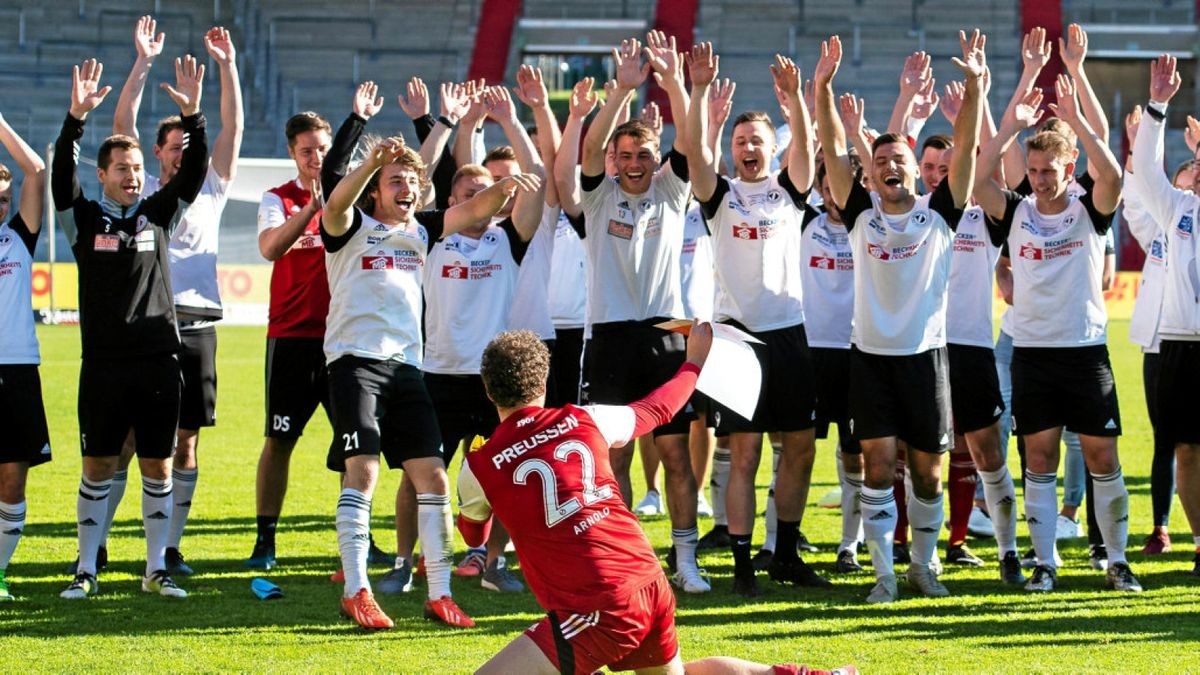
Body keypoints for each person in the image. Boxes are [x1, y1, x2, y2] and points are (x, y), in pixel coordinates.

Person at [458, 328, 855, 675]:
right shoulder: (584, 417)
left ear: (488, 388)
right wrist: (695, 362)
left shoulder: (479, 464)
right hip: (646, 580)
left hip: (599, 604)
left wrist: (489, 509)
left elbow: (472, 531)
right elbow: (658, 408)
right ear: (543, 382)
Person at [318, 123, 541, 627]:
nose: (407, 190)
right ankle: (357, 589)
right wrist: (372, 163)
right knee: (365, 472)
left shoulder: (420, 229)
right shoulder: (349, 227)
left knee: (434, 477)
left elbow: (476, 209)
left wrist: (507, 188)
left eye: (412, 183)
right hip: (355, 362)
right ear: (375, 188)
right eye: (395, 181)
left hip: (407, 366)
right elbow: (333, 205)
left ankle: (439, 593)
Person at [814, 35, 985, 603]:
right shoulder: (860, 214)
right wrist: (822, 87)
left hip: (926, 359)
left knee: (930, 474)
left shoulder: (940, 215)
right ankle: (884, 574)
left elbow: (965, 145)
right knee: (879, 468)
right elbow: (836, 146)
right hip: (871, 361)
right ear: (870, 174)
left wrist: (978, 86)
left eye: (899, 160)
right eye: (880, 160)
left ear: (918, 172)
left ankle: (923, 566)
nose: (890, 166)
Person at [974, 69, 1140, 592]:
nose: (1042, 179)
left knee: (1102, 457)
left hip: (1085, 354)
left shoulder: (1090, 211)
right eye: (1037, 170)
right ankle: (1044, 563)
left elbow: (1112, 172)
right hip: (1032, 355)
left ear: (1070, 168)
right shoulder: (1017, 211)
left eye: (1051, 170)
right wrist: (1005, 133)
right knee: (1039, 459)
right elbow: (978, 182)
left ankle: (1116, 561)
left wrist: (1076, 122)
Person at [91, 18, 243, 578]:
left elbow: (232, 127)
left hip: (199, 322)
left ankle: (170, 548)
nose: (182, 154)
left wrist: (227, 67)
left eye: (187, 146)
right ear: (156, 153)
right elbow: (121, 123)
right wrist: (143, 61)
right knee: (129, 440)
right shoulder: (145, 193)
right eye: (173, 147)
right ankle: (100, 545)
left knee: (185, 442)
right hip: (148, 324)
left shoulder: (214, 185)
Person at [54, 56, 208, 599]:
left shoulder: (158, 214)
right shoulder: (83, 220)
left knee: (158, 466)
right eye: (122, 168)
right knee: (97, 465)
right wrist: (75, 119)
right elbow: (59, 179)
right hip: (102, 363)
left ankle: (155, 569)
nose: (132, 176)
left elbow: (192, 173)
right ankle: (86, 569)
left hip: (158, 361)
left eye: (137, 168)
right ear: (103, 174)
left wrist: (193, 117)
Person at [683, 44, 827, 597]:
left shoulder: (789, 192)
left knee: (800, 447)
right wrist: (697, 93)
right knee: (742, 453)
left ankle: (784, 553)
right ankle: (742, 563)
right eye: (741, 142)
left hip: (789, 335)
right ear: (733, 150)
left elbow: (809, 152)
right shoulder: (719, 196)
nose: (749, 148)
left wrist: (795, 99)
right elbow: (696, 154)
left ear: (774, 149)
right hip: (736, 340)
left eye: (757, 142)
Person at [578, 32, 709, 593]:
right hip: (608, 336)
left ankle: (686, 563)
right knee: (614, 457)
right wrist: (622, 92)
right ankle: (626, 563)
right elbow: (587, 154)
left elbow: (692, 139)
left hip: (665, 332)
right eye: (625, 156)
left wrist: (680, 85)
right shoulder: (598, 194)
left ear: (657, 159)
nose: (634, 164)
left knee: (675, 453)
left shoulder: (672, 191)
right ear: (615, 160)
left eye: (644, 156)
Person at [1130, 54, 1200, 577]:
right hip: (1177, 342)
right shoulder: (1177, 207)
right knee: (1187, 450)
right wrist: (1157, 107)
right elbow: (1146, 170)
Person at [0, 110, 49, 602]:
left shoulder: (19, 236)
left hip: (17, 369)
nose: (2, 205)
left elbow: (35, 170)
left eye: (4, 198)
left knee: (13, 479)